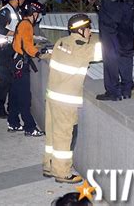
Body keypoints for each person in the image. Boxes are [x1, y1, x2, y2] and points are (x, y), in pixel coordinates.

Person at [42, 14, 102, 184]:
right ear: (82, 30)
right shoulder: (83, 49)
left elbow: (51, 55)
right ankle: (62, 173)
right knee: (64, 136)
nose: (90, 32)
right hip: (65, 101)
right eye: (89, 29)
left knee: (52, 134)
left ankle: (49, 165)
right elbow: (113, 49)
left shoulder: (61, 42)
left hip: (52, 96)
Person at [8, 2, 45, 136]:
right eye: (38, 14)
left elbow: (22, 42)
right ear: (33, 13)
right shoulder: (26, 25)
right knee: (24, 97)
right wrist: (39, 54)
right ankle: (30, 128)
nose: (38, 16)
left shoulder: (22, 23)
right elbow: (27, 46)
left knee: (15, 94)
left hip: (15, 61)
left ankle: (13, 123)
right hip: (20, 64)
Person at [0, 0, 25, 119]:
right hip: (5, 49)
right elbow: (0, 28)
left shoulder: (16, 10)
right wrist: (17, 33)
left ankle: (11, 107)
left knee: (13, 80)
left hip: (14, 48)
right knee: (4, 81)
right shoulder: (5, 11)